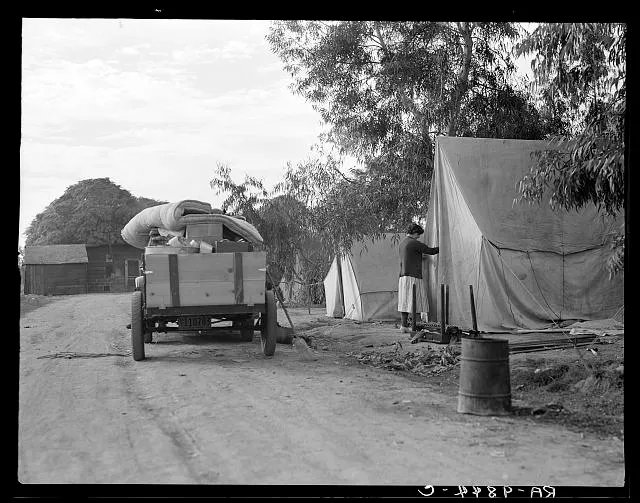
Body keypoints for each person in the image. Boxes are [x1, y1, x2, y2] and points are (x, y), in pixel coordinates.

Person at [398, 223, 439, 332]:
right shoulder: (414, 243)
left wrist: (420, 257)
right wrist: (443, 247)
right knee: (415, 301)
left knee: (404, 302)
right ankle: (413, 327)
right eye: (418, 235)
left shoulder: (402, 243)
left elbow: (409, 257)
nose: (418, 237)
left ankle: (404, 326)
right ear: (415, 233)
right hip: (413, 276)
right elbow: (431, 251)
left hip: (403, 276)